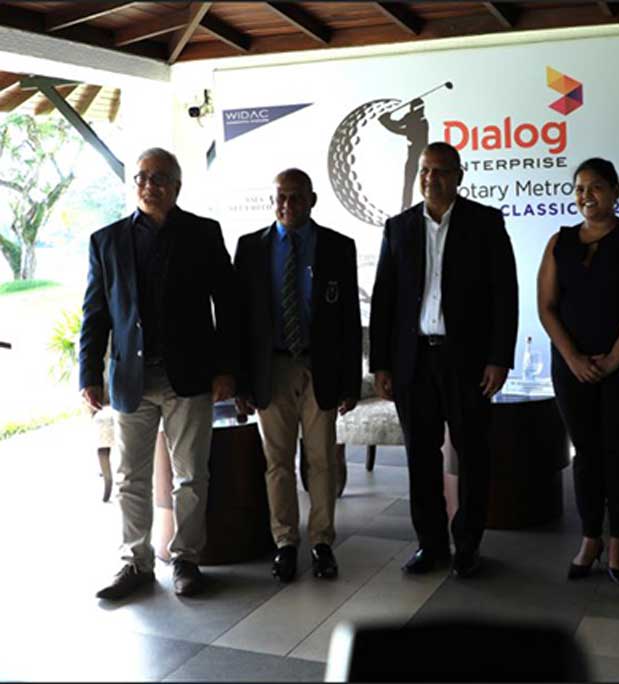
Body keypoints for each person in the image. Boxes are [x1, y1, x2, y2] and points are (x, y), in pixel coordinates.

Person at [79, 148, 239, 599]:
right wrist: (88, 374)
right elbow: (95, 314)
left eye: (160, 178)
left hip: (190, 375)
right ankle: (135, 562)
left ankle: (186, 559)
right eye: (142, 177)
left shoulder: (204, 234)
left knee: (192, 475)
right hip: (131, 378)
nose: (150, 185)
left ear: (177, 187)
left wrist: (227, 368)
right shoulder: (106, 241)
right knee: (130, 477)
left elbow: (228, 306)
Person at [369, 141, 518, 579]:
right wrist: (381, 364)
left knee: (472, 454)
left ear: (459, 176)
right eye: (425, 170)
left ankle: (468, 544)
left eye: (440, 171)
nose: (431, 179)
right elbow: (383, 300)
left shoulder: (485, 223)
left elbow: (504, 295)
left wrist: (499, 358)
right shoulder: (398, 227)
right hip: (413, 360)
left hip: (467, 361)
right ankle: (430, 543)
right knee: (421, 455)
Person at [537, 158, 619, 586]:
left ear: (614, 190)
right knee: (586, 452)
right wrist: (573, 357)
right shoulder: (559, 241)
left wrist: (614, 358)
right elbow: (546, 307)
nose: (586, 196)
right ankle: (591, 537)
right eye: (579, 188)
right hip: (572, 365)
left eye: (595, 187)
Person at [233, 168, 362, 583]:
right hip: (270, 369)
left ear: (312, 200)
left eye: (297, 197)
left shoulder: (338, 247)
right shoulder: (250, 247)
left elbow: (348, 318)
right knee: (278, 462)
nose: (288, 204)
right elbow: (238, 322)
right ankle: (285, 543)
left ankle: (322, 542)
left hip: (319, 367)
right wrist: (241, 383)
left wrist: (350, 382)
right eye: (281, 197)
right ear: (272, 201)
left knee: (322, 460)